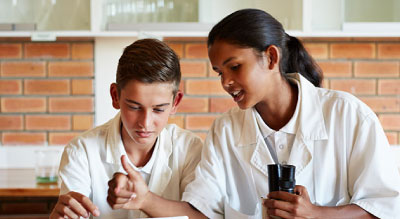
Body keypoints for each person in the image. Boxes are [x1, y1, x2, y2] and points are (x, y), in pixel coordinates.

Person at [107, 9, 400, 219]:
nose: (225, 82)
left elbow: (384, 208)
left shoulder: (348, 116)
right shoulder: (225, 131)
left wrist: (318, 214)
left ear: (271, 57)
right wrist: (144, 199)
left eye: (234, 67)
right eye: (219, 72)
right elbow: (200, 212)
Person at [49, 38, 203, 219]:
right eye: (134, 107)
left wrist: (146, 200)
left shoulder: (190, 149)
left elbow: (203, 216)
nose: (145, 123)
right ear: (115, 96)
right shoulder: (81, 151)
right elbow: (71, 212)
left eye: (158, 109)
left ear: (175, 102)